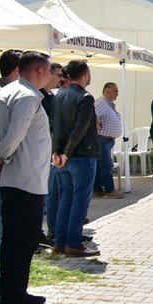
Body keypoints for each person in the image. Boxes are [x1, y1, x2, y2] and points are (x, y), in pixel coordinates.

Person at [0, 51, 54, 304]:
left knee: (16, 241)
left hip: (21, 179)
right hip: (24, 180)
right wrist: (2, 157)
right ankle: (13, 301)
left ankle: (14, 293)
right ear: (40, 72)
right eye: (49, 70)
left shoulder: (11, 90)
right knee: (21, 242)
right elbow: (13, 137)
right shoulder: (27, 96)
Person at [51, 59, 100, 257]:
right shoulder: (86, 97)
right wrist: (66, 152)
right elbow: (80, 128)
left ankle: (60, 242)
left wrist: (57, 152)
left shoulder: (59, 94)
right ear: (85, 74)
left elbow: (56, 126)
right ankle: (73, 243)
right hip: (80, 156)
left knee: (66, 199)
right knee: (80, 201)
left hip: (62, 156)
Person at [40, 63, 65, 243]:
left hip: (51, 150)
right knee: (47, 191)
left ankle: (48, 230)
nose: (60, 79)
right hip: (43, 152)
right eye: (58, 75)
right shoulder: (38, 97)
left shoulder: (50, 96)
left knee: (51, 191)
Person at [93, 82, 123, 198]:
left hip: (106, 140)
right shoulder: (101, 102)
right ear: (108, 91)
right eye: (115, 91)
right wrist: (96, 124)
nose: (117, 94)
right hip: (102, 139)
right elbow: (92, 114)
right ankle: (110, 190)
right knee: (106, 165)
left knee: (100, 166)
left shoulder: (109, 104)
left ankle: (97, 189)